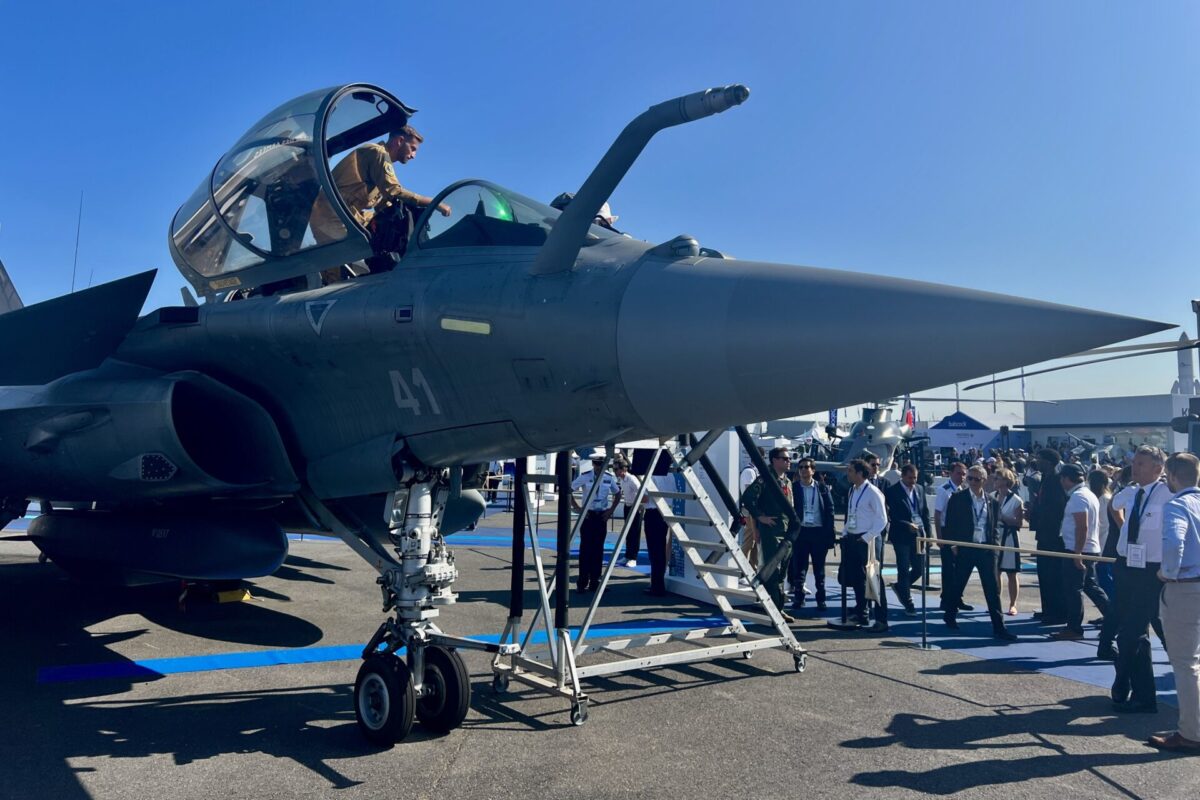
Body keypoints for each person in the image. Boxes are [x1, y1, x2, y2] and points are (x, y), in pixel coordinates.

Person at [310, 127, 452, 282]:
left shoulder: (378, 160)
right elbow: (394, 191)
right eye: (412, 149)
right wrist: (434, 202)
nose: (413, 156)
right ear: (399, 141)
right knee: (336, 280)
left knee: (393, 229)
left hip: (345, 215)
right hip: (332, 217)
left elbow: (384, 203)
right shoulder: (377, 153)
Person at [1110, 445, 1171, 714]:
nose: (1135, 468)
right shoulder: (1133, 492)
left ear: (1159, 468)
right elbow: (1114, 505)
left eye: (1141, 464)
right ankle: (1138, 691)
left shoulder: (1168, 494)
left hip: (1152, 571)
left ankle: (1128, 684)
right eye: (1134, 462)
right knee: (1134, 634)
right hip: (1127, 566)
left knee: (1135, 634)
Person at [1149, 452, 1200, 752]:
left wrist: (1167, 572)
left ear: (1172, 476)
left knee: (1185, 664)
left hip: (1186, 588)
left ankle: (1192, 732)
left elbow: (1174, 542)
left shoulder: (1177, 504)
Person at [942, 466, 1016, 641]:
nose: (973, 482)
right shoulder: (957, 498)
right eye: (970, 479)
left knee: (992, 589)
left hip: (986, 549)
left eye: (977, 479)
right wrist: (953, 545)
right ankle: (950, 614)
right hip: (966, 547)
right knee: (958, 584)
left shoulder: (992, 501)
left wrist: (995, 547)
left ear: (984, 480)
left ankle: (999, 627)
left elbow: (995, 526)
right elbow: (950, 523)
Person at [1049, 464, 1107, 641]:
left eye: (1062, 478)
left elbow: (1082, 527)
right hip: (1088, 548)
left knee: (1073, 590)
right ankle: (1114, 618)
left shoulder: (1078, 497)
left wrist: (1077, 554)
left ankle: (1074, 628)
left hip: (1079, 549)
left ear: (1067, 478)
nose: (1060, 481)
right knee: (1091, 587)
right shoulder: (1088, 494)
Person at [740, 447, 796, 622]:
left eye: (789, 459)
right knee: (772, 571)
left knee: (782, 572)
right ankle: (774, 611)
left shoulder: (787, 481)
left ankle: (778, 608)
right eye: (784, 459)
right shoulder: (765, 479)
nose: (788, 462)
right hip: (772, 531)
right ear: (774, 461)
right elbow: (747, 499)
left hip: (787, 531)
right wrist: (759, 517)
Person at [839, 459, 889, 631]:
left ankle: (881, 619)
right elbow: (852, 514)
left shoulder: (873, 492)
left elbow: (882, 520)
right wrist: (845, 532)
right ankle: (862, 611)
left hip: (868, 539)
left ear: (860, 473)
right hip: (853, 537)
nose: (848, 474)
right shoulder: (853, 490)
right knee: (857, 578)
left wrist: (867, 537)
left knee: (874, 579)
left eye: (851, 471)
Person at [788, 457, 835, 611]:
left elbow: (830, 510)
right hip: (801, 532)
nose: (803, 470)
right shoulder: (794, 488)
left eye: (806, 467)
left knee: (819, 569)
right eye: (800, 467)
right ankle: (798, 597)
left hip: (818, 532)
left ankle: (821, 599)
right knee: (799, 567)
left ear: (813, 470)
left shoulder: (822, 488)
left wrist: (829, 533)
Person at [570, 454, 621, 593]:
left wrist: (611, 510)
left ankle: (595, 581)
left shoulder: (608, 477)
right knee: (585, 549)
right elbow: (569, 490)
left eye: (601, 464)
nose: (599, 467)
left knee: (598, 549)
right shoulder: (585, 476)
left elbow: (617, 493)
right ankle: (582, 582)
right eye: (597, 464)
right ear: (593, 464)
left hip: (601, 516)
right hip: (588, 515)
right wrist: (578, 508)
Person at [1029, 448, 1068, 625]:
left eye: (1039, 459)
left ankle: (1057, 612)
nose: (1036, 461)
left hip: (1053, 536)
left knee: (1052, 575)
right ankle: (1048, 609)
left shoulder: (1056, 481)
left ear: (1049, 462)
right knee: (1043, 574)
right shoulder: (1045, 478)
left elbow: (1057, 509)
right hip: (1043, 534)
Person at [885, 463, 929, 615]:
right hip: (901, 535)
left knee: (918, 568)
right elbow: (892, 516)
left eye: (915, 478)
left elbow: (925, 514)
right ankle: (907, 601)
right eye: (910, 478)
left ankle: (900, 587)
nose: (913, 481)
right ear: (903, 476)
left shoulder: (920, 489)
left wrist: (927, 535)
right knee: (903, 568)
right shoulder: (892, 491)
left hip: (918, 535)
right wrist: (906, 525)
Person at [934, 461, 971, 611]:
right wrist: (940, 537)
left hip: (960, 532)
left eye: (963, 474)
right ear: (950, 473)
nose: (961, 477)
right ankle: (946, 599)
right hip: (947, 530)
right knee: (949, 568)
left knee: (960, 568)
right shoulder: (944, 490)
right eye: (958, 473)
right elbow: (937, 514)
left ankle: (957, 597)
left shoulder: (963, 489)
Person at [993, 468, 1025, 616]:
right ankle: (996, 601)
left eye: (997, 478)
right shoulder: (991, 496)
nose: (995, 481)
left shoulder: (1016, 500)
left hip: (1010, 538)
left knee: (1011, 573)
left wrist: (1002, 517)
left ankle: (1013, 604)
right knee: (996, 571)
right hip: (995, 536)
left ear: (1006, 481)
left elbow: (1018, 523)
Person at [613, 459, 643, 568]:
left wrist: (639, 506)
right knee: (628, 532)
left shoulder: (632, 479)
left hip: (635, 507)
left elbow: (642, 492)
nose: (615, 471)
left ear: (623, 469)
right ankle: (627, 555)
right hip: (627, 506)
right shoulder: (622, 480)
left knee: (635, 533)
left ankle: (633, 558)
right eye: (614, 469)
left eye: (616, 469)